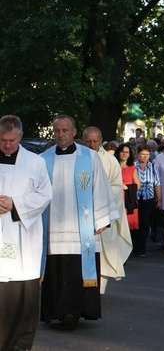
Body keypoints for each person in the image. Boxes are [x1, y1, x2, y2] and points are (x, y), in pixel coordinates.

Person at [40, 115, 118, 328]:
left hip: (81, 228)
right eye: (57, 131)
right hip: (52, 228)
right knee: (56, 271)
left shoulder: (89, 157)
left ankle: (75, 312)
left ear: (74, 132)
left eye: (65, 130)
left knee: (76, 270)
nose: (61, 134)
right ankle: (57, 312)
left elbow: (100, 187)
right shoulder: (44, 159)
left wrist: (102, 218)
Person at [0, 115, 53, 349]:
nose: (7, 145)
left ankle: (20, 343)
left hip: (22, 234)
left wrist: (15, 204)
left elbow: (45, 195)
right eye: (3, 140)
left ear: (20, 137)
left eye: (12, 140)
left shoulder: (35, 162)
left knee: (22, 291)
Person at [81, 127, 131, 294]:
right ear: (82, 140)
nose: (91, 144)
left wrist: (99, 200)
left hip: (102, 214)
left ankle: (100, 289)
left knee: (103, 252)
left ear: (101, 140)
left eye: (95, 141)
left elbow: (116, 187)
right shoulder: (77, 157)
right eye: (88, 141)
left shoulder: (110, 161)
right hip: (81, 214)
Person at [134, 145, 162, 256]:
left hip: (148, 198)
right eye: (142, 154)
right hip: (135, 198)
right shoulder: (133, 166)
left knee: (145, 224)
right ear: (137, 155)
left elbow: (157, 184)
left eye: (147, 154)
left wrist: (159, 200)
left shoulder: (153, 166)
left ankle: (142, 248)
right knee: (135, 223)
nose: (145, 157)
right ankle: (134, 247)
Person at [115, 144, 141, 240]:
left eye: (127, 152)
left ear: (129, 154)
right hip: (116, 200)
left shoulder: (132, 168)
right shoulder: (114, 167)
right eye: (122, 152)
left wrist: (126, 187)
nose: (124, 154)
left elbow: (138, 185)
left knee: (129, 227)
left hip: (128, 200)